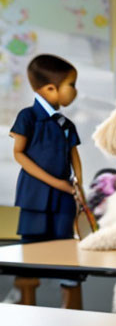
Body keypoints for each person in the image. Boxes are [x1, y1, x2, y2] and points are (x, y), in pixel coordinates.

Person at [10, 54, 83, 242]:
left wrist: (79, 187)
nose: (75, 91)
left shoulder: (66, 124)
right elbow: (18, 153)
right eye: (72, 85)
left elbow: (74, 156)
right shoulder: (27, 117)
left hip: (65, 195)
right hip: (35, 196)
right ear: (51, 88)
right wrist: (56, 182)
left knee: (64, 243)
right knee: (31, 247)